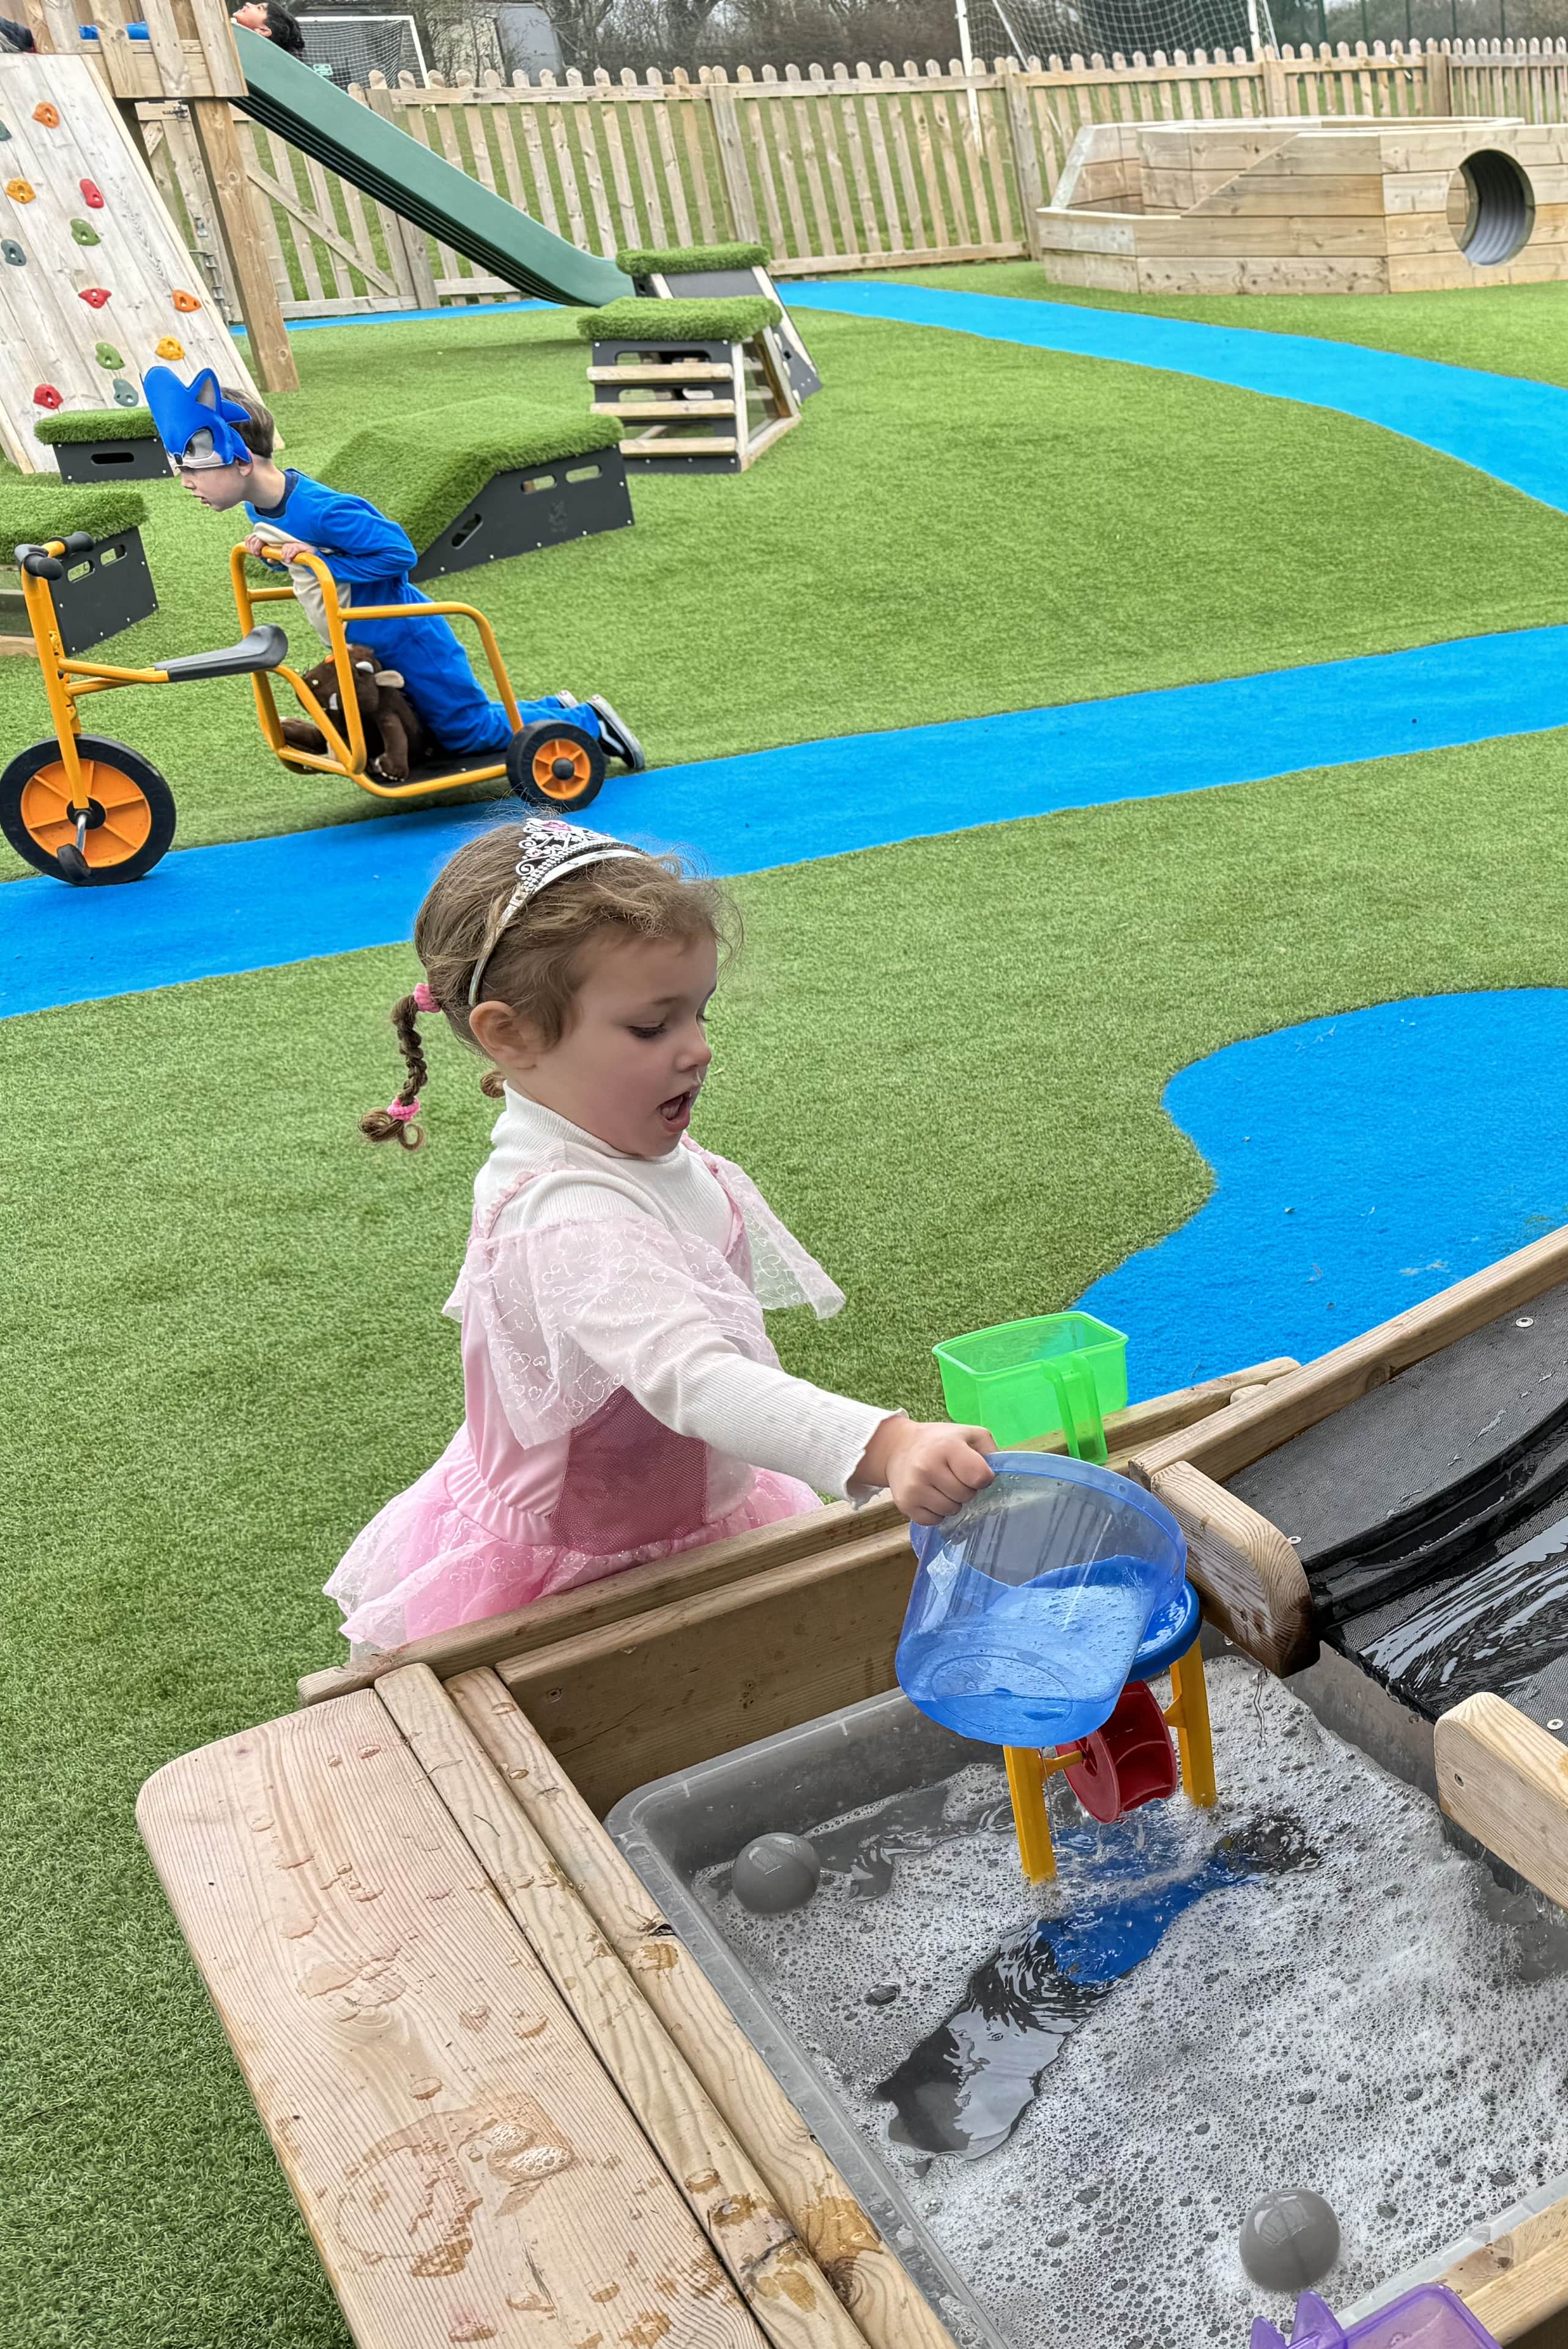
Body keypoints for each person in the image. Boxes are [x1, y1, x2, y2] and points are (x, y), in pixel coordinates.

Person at [327, 817, 996, 1652]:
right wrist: (886, 1444)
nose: (699, 1050)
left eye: (699, 1013)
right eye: (653, 1028)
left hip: (687, 1505)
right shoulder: (570, 1217)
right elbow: (694, 1378)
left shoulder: (610, 1133)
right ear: (512, 1036)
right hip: (579, 1563)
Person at [143, 363, 641, 773]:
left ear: (243, 461)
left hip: (406, 632)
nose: (187, 482)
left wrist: (326, 563)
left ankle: (589, 720)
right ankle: (552, 708)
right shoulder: (261, 507)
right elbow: (305, 566)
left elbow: (399, 552)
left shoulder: (322, 510)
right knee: (438, 723)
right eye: (180, 468)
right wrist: (276, 556)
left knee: (465, 731)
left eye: (194, 469)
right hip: (361, 636)